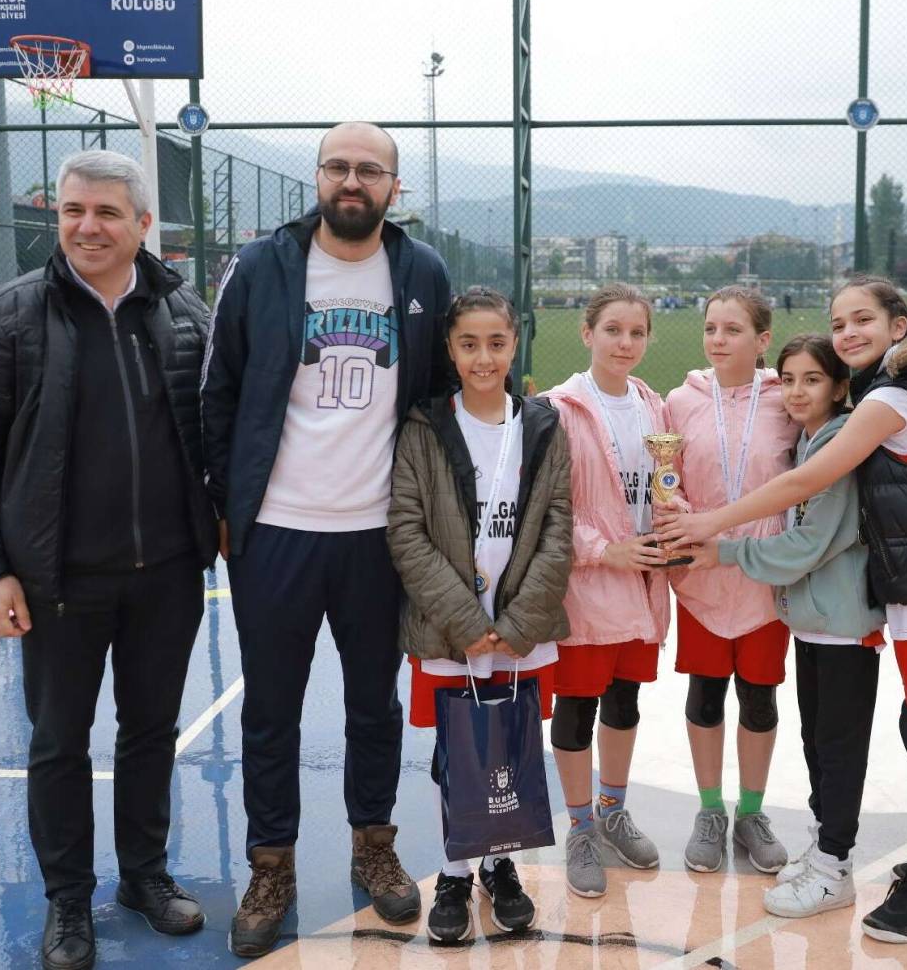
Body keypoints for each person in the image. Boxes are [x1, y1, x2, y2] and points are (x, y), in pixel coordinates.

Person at [658, 280, 907, 946]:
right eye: (838, 322)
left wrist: (713, 530)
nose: (848, 331)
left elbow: (804, 485)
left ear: (899, 326)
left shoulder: (889, 398)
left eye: (862, 320)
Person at [0, 150, 220, 970]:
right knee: (59, 740)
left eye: (105, 212)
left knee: (151, 731)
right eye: (72, 211)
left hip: (166, 571)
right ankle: (68, 897)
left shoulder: (185, 313)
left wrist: (220, 521)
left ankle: (144, 875)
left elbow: (213, 433)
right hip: (57, 577)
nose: (86, 227)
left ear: (143, 224)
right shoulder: (9, 314)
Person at [202, 122, 452, 954]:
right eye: (337, 167)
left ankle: (373, 845)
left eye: (369, 170)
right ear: (315, 178)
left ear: (393, 187)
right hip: (277, 529)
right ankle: (270, 864)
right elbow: (218, 389)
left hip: (379, 533)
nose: (352, 181)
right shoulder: (261, 265)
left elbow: (437, 395)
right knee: (270, 709)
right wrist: (223, 501)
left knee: (374, 704)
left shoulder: (421, 271)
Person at [388, 286, 574, 942]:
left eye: (496, 342)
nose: (483, 357)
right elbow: (405, 531)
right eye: (468, 344)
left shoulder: (543, 426)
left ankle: (499, 865)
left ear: (514, 344)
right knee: (456, 752)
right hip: (450, 631)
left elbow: (558, 529)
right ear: (449, 349)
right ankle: (454, 871)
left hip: (521, 630)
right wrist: (466, 623)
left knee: (509, 749)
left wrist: (518, 624)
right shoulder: (423, 428)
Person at [682, 334, 886, 920]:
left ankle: (835, 868)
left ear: (840, 387)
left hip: (845, 622)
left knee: (839, 750)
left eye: (812, 379)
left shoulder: (838, 442)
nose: (796, 391)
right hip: (815, 621)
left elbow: (807, 545)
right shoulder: (809, 439)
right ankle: (824, 852)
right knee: (818, 744)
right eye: (789, 379)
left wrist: (724, 550)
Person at [542, 283, 672, 898]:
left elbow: (665, 486)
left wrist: (676, 520)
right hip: (588, 589)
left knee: (625, 703)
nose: (626, 343)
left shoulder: (653, 406)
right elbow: (546, 511)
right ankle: (579, 827)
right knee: (577, 708)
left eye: (637, 332)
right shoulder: (557, 409)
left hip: (644, 585)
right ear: (587, 333)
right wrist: (605, 551)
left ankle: (613, 809)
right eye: (613, 330)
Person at [662, 287, 798, 875]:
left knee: (760, 698)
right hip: (702, 580)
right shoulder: (680, 400)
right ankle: (711, 810)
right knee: (705, 694)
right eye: (711, 328)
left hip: (765, 579)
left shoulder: (786, 401)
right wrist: (677, 524)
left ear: (762, 340)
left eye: (733, 330)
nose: (718, 340)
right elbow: (667, 480)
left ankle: (752, 813)